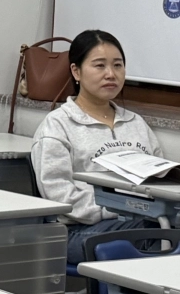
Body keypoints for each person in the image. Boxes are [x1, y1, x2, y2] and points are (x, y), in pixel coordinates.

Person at [31, 30, 163, 264]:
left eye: (118, 65)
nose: (111, 74)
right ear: (76, 71)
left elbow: (161, 179)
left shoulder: (136, 123)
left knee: (161, 229)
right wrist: (122, 208)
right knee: (157, 233)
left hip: (142, 220)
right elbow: (59, 195)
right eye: (99, 66)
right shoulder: (58, 125)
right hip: (77, 231)